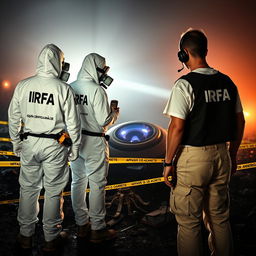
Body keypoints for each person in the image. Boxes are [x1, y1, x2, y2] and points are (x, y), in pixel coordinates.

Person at [163, 29, 245, 256]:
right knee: (219, 218)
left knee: (189, 223)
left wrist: (168, 162)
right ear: (206, 51)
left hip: (193, 159)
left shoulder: (184, 84)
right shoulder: (228, 82)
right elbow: (240, 121)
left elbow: (177, 127)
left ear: (184, 53)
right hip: (221, 155)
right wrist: (233, 154)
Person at [8, 44, 81, 252]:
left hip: (29, 143)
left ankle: (25, 236)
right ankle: (51, 237)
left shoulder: (23, 85)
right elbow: (74, 123)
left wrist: (16, 142)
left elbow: (13, 117)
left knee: (28, 189)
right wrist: (74, 147)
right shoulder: (63, 88)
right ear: (59, 63)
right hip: (54, 146)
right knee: (53, 191)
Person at [70, 53, 119, 243]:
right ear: (97, 69)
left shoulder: (70, 87)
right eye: (102, 69)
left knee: (77, 182)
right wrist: (114, 113)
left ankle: (81, 225)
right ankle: (98, 228)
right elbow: (103, 120)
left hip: (75, 140)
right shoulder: (97, 91)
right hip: (94, 142)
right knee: (97, 184)